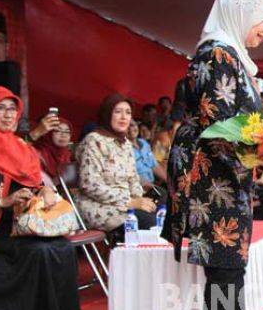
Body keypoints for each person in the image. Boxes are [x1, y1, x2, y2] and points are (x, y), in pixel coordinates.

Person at [162, 0, 263, 310]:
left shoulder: (231, 55)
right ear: (241, 12)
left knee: (231, 271)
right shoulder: (216, 55)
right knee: (225, 272)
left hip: (227, 178)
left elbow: (239, 128)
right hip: (212, 181)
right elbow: (221, 129)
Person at [0, 85, 82, 310]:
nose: (7, 115)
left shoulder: (20, 145)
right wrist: (1, 202)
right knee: (38, 252)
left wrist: (46, 191)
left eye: (12, 109)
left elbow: (33, 181)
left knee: (61, 247)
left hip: (22, 222)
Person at [75, 94, 157, 232]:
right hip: (100, 207)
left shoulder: (125, 144)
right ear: (107, 114)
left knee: (162, 209)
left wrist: (139, 199)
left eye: (128, 112)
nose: (124, 117)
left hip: (127, 204)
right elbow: (89, 184)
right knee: (150, 222)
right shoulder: (94, 141)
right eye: (118, 112)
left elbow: (133, 178)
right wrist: (129, 202)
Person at [33, 115, 73, 185]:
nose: (63, 135)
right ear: (49, 133)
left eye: (67, 132)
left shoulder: (67, 154)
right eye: (57, 131)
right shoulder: (38, 154)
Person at [127, 120, 167, 190]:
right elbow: (129, 174)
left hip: (153, 184)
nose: (130, 129)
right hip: (137, 188)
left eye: (132, 125)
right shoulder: (124, 149)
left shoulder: (144, 143)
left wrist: (169, 181)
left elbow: (154, 165)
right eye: (127, 127)